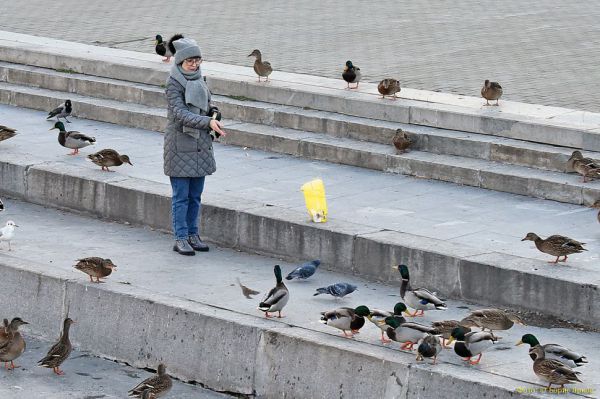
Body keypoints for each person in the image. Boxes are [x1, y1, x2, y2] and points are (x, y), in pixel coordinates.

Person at [163, 38, 226, 256]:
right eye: (190, 61)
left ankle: (193, 234)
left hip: (200, 145)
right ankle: (180, 237)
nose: (194, 64)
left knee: (196, 196)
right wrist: (207, 122)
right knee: (181, 196)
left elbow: (207, 105)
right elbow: (180, 114)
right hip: (180, 147)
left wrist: (214, 113)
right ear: (180, 61)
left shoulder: (200, 79)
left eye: (197, 60)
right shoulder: (173, 84)